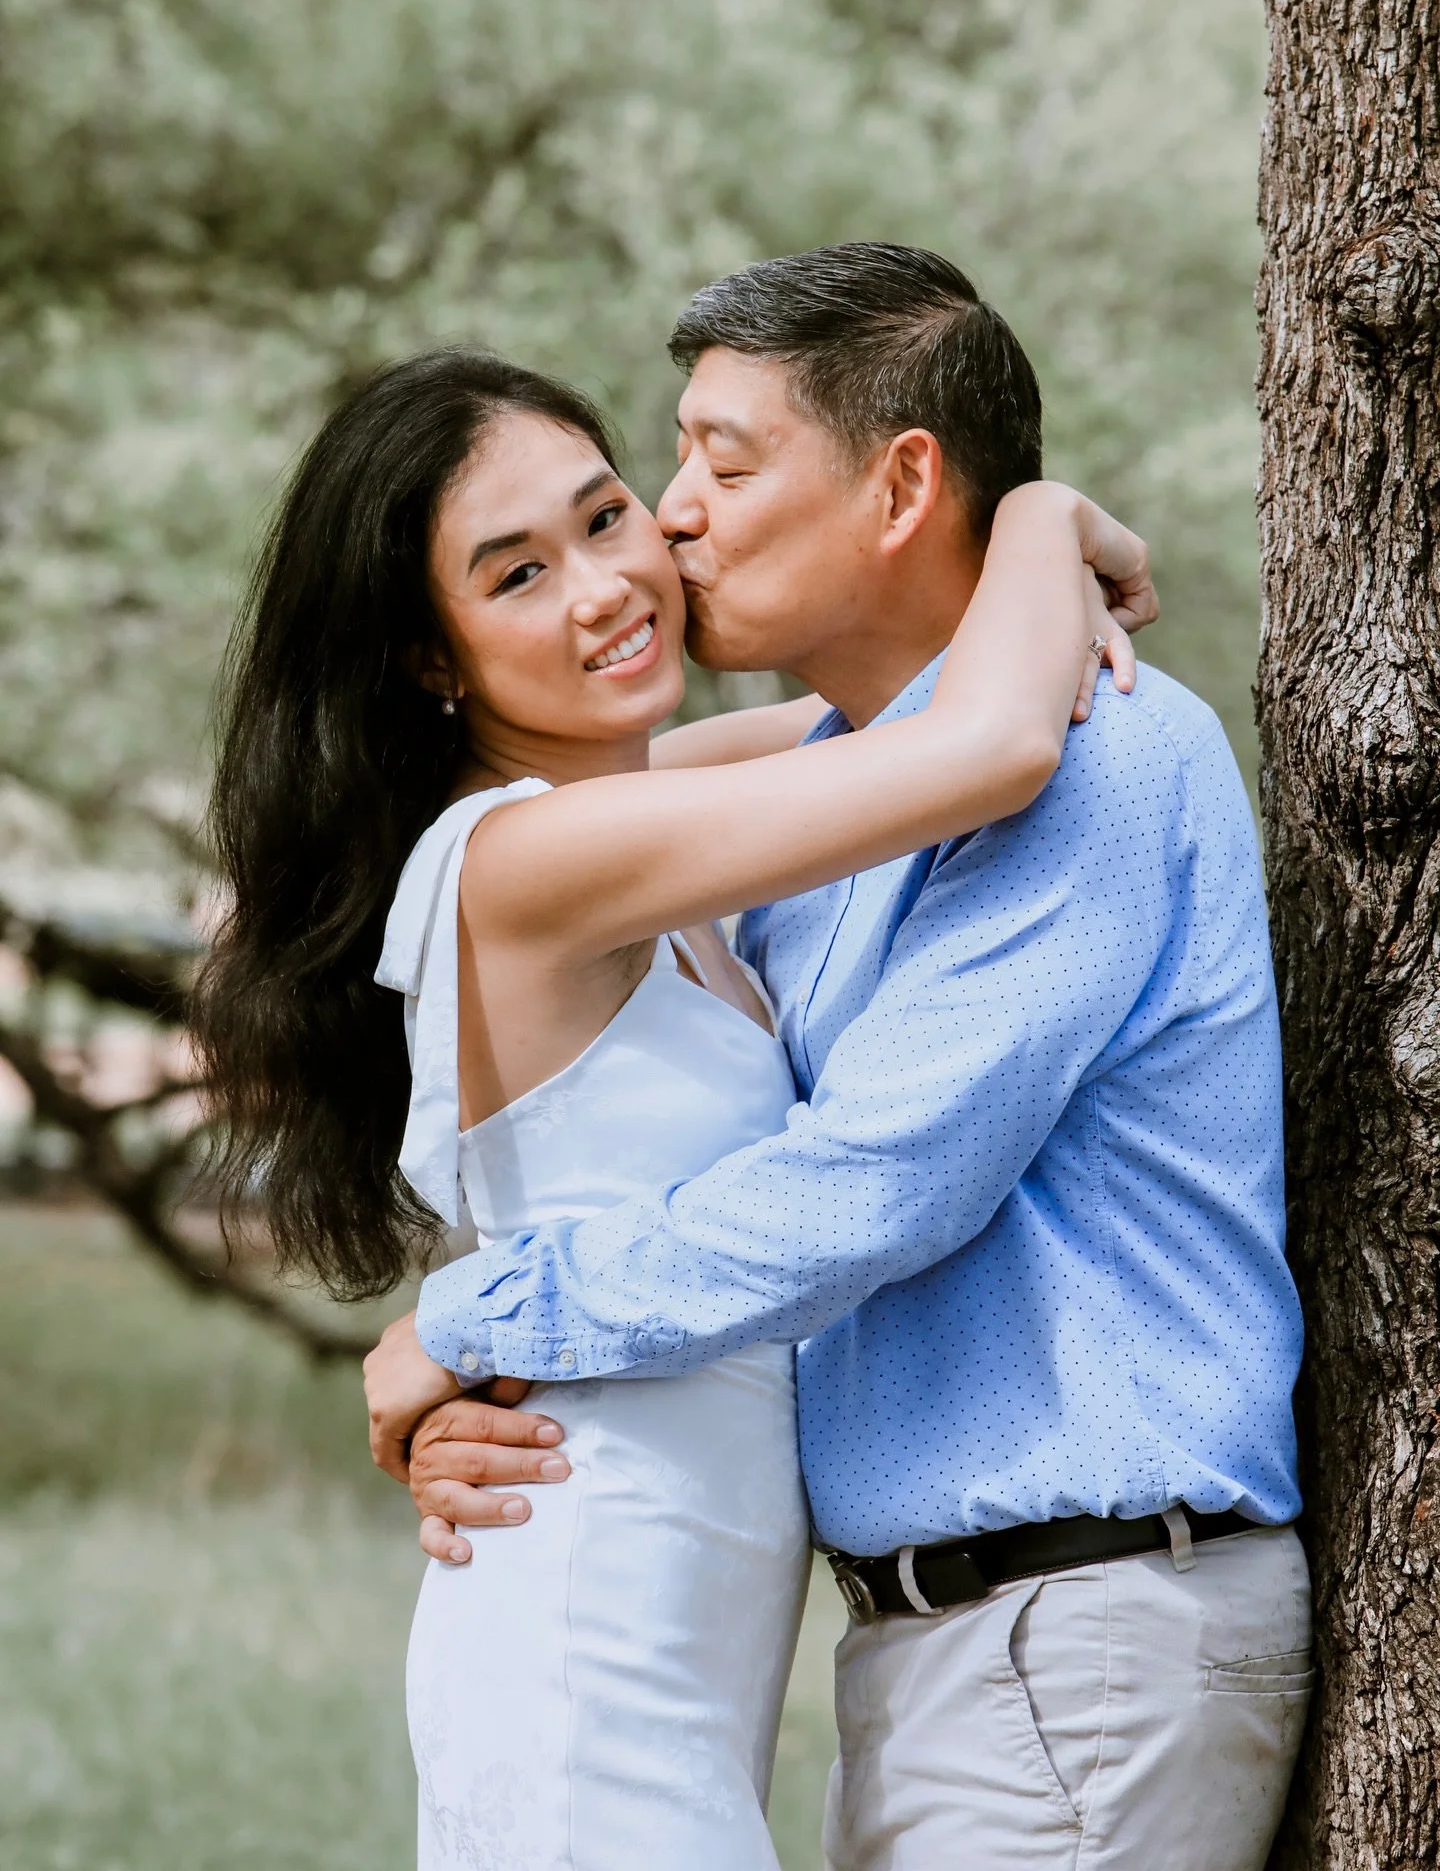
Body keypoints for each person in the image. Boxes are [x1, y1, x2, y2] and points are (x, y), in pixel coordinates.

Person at [366, 245, 1311, 1871]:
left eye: (708, 468)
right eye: (520, 567)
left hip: (1072, 1621)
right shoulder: (823, 807)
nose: (663, 524)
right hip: (922, 1643)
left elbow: (874, 1188)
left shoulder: (1093, 752)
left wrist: (463, 1324)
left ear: (900, 490)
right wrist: (1042, 522)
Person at [195, 313, 1148, 1867]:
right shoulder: (530, 856)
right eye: (516, 575)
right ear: (432, 657)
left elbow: (900, 704)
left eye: (603, 514)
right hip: (589, 1634)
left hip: (675, 1633)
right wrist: (1036, 514)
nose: (605, 589)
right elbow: (984, 743)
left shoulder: (638, 805)